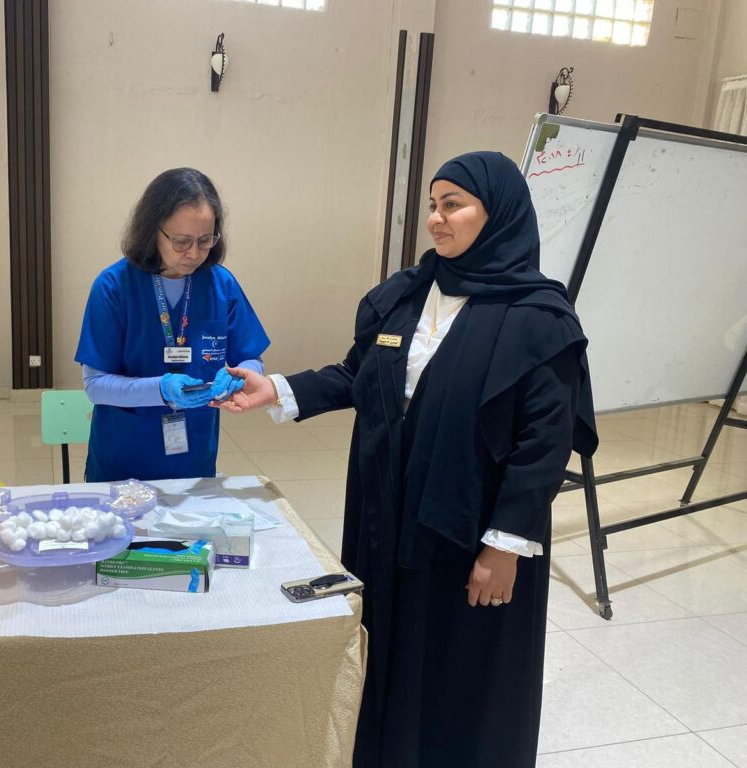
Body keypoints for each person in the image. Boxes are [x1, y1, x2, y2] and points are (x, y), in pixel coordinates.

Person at [216, 152, 598, 768]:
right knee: (390, 643)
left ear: (497, 213)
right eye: (433, 205)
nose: (436, 219)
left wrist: (504, 547)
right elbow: (359, 374)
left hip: (470, 529)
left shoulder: (538, 318)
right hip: (389, 515)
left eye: (454, 205)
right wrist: (278, 390)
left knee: (460, 663)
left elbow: (543, 444)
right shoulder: (408, 294)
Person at [75, 167, 269, 482]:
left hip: (194, 455)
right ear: (153, 230)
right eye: (181, 241)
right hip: (124, 458)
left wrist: (239, 376)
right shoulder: (113, 287)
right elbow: (95, 385)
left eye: (205, 240)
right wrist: (160, 390)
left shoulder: (221, 285)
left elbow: (251, 358)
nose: (194, 253)